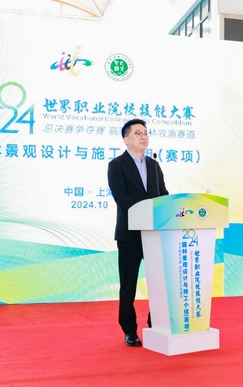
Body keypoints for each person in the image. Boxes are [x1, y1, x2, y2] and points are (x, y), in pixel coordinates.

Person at [107, 118, 169, 347]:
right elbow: (121, 198)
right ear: (126, 139)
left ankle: (157, 323)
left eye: (145, 132)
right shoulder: (117, 165)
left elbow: (163, 194)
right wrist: (145, 214)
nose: (143, 136)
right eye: (137, 133)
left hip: (154, 234)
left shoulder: (154, 165)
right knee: (129, 284)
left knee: (159, 282)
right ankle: (129, 330)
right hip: (130, 234)